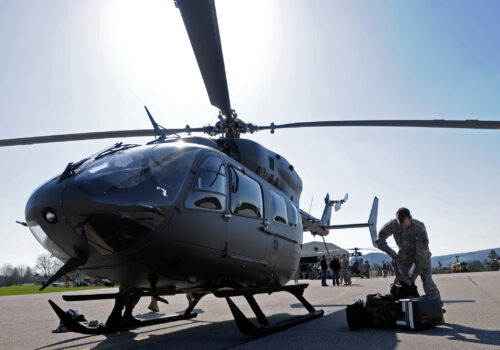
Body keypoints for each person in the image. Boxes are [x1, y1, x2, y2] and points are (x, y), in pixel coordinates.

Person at [375, 207, 442, 305]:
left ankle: (437, 307)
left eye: (405, 225)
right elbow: (379, 240)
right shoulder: (391, 225)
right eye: (401, 226)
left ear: (410, 218)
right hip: (405, 254)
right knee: (399, 283)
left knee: (428, 283)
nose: (403, 228)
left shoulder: (419, 227)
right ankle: (398, 307)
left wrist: (415, 274)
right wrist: (389, 251)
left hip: (421, 254)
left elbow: (422, 254)